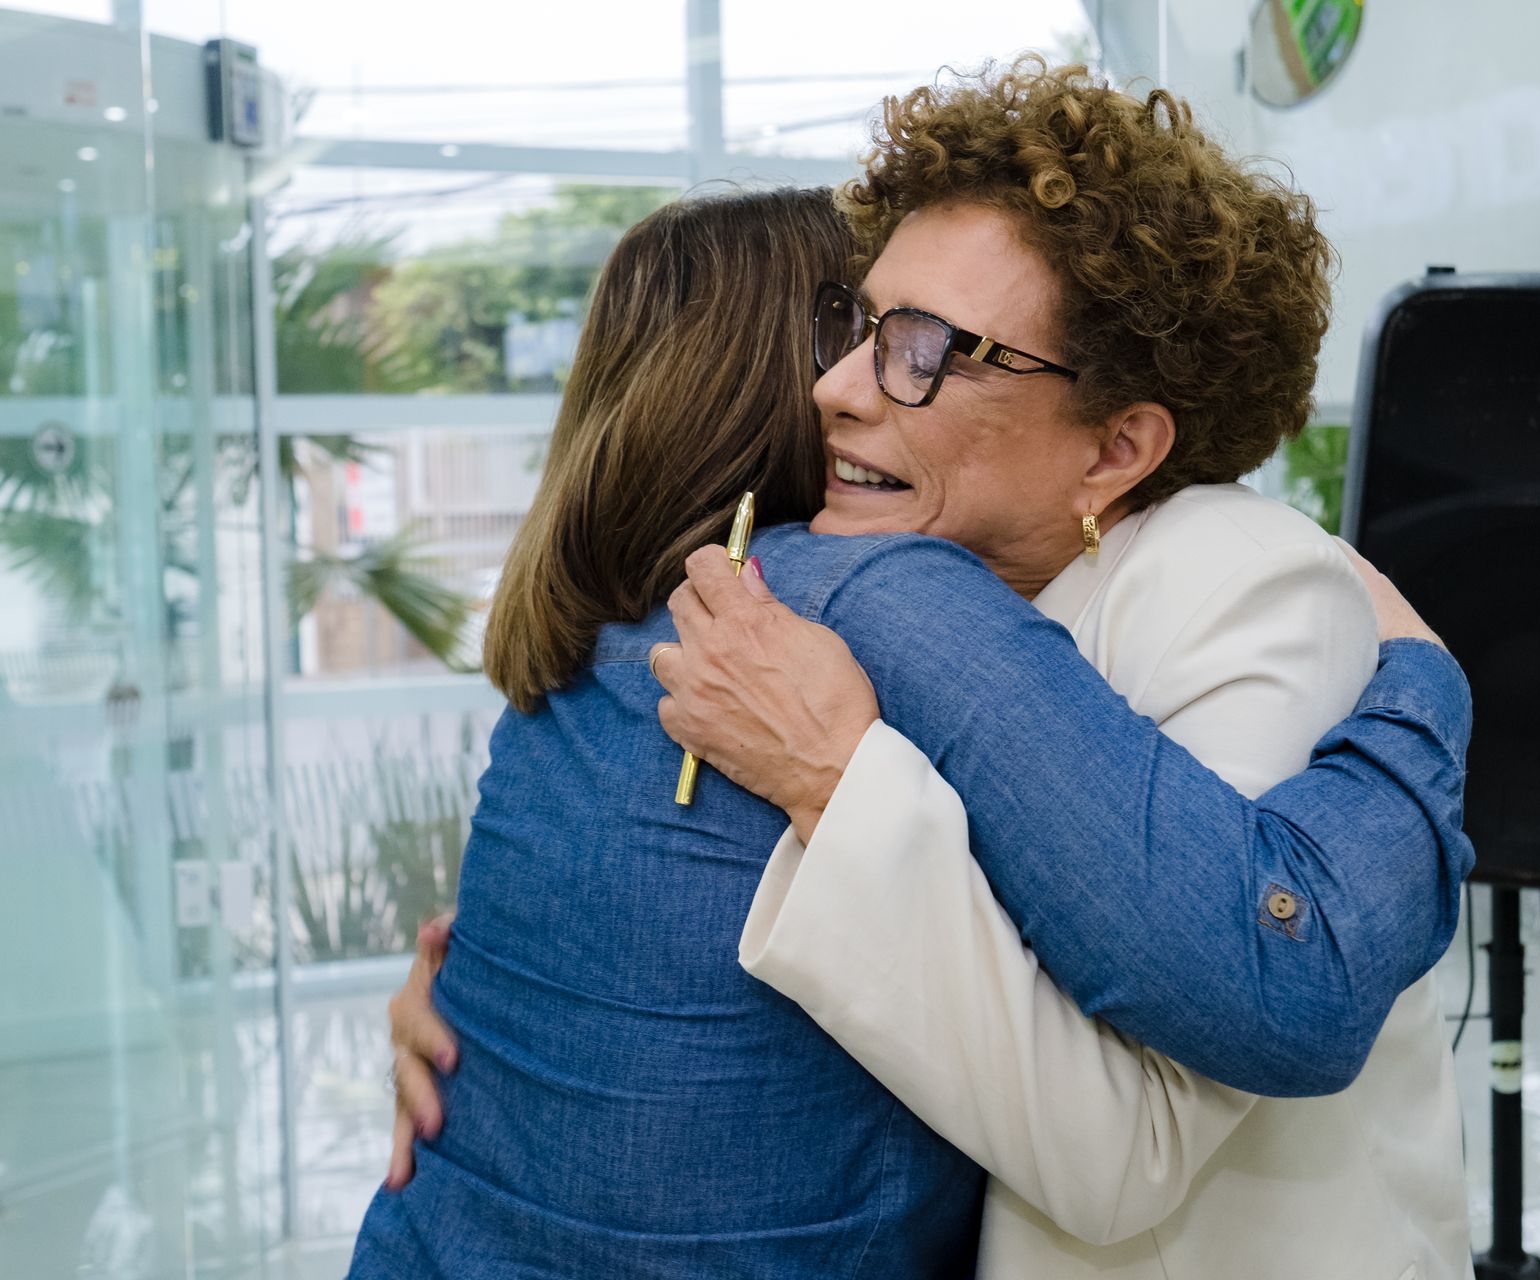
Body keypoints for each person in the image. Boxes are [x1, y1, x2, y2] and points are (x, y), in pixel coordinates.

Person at [372, 64, 1471, 1280]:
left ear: (1119, 447)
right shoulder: (877, 583)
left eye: (924, 348)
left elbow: (1242, 1018)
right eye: (858, 324)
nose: (835, 385)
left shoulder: (1236, 581)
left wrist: (1427, 676)